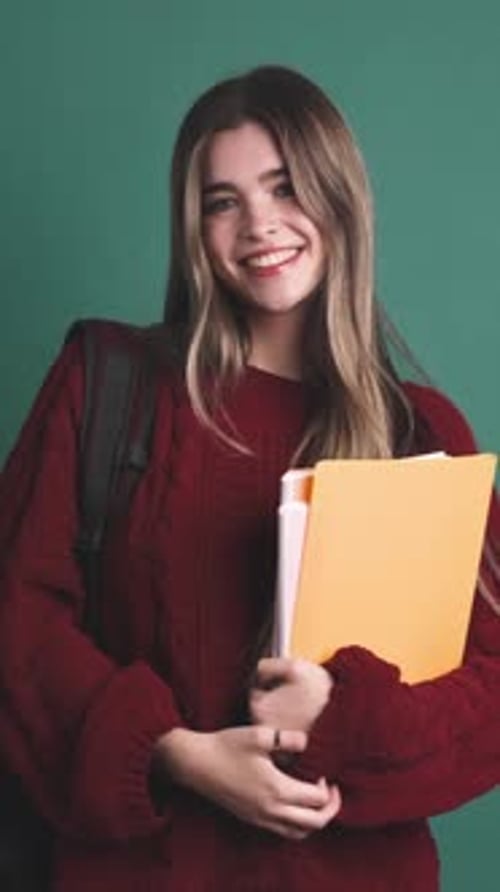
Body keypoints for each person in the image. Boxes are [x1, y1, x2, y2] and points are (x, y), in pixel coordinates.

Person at [0, 64, 499, 892]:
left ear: (340, 198)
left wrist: (344, 719)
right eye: (221, 201)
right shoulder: (106, 383)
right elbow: (18, 619)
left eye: (285, 187)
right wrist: (175, 755)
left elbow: (489, 693)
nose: (258, 225)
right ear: (193, 228)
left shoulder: (421, 431)